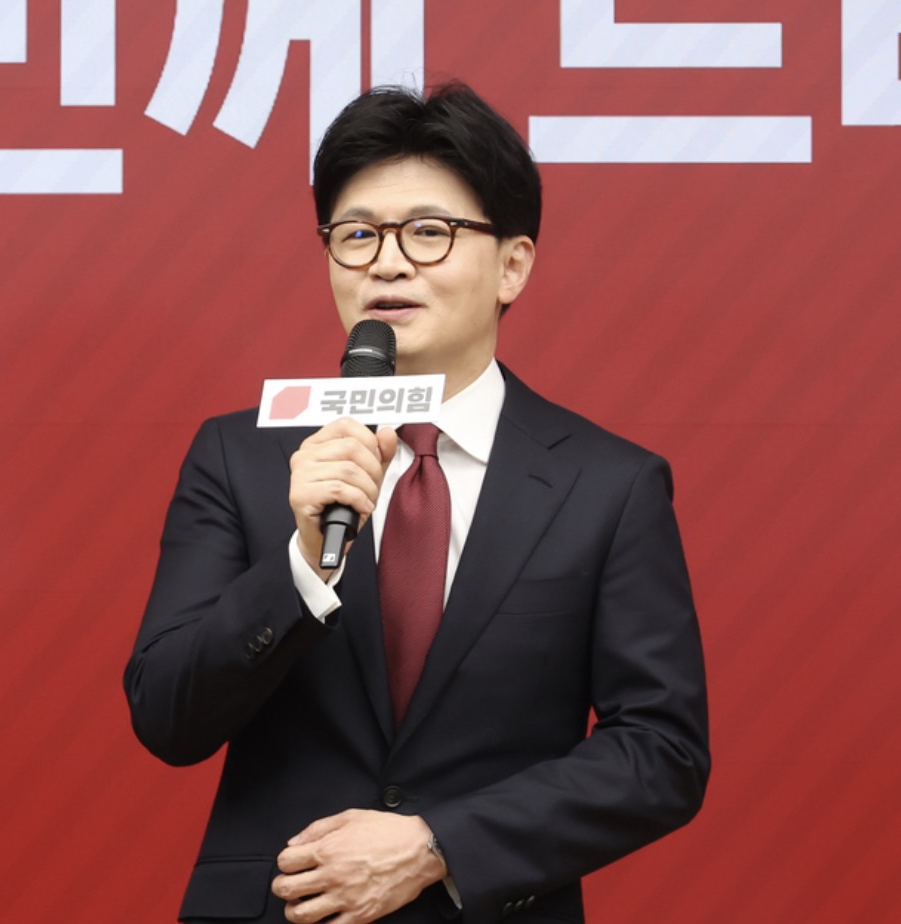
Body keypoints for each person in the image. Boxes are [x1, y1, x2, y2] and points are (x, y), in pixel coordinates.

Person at [123, 84, 709, 924]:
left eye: (429, 232)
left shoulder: (608, 485)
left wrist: (439, 845)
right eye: (357, 234)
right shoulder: (242, 455)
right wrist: (299, 568)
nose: (387, 263)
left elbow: (660, 752)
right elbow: (166, 717)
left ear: (512, 265)